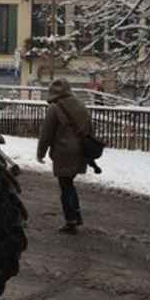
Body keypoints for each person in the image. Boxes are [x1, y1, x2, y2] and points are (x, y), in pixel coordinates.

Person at [37, 78, 92, 234]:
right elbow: (89, 129)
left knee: (65, 187)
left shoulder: (55, 109)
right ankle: (75, 215)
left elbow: (46, 134)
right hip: (80, 151)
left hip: (63, 153)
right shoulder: (81, 105)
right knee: (70, 184)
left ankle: (71, 221)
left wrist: (40, 153)